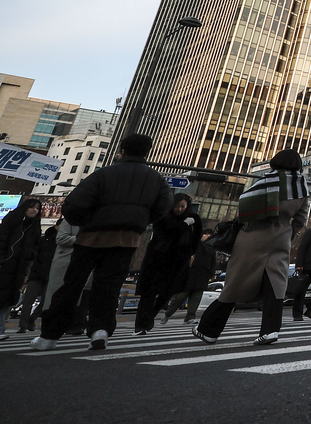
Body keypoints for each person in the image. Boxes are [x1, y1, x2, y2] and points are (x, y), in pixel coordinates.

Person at [32, 133, 172, 351]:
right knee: (109, 287)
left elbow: (74, 205)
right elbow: (162, 209)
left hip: (91, 238)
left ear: (122, 151)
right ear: (147, 152)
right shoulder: (157, 179)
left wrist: (86, 223)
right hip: (127, 240)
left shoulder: (103, 174)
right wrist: (138, 222)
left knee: (72, 286)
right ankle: (100, 330)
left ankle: (50, 335)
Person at [193, 148, 309, 346]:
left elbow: (244, 209)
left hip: (254, 235)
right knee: (275, 283)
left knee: (236, 281)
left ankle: (208, 329)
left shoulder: (267, 180)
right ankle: (270, 330)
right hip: (281, 235)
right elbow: (301, 218)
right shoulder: (301, 185)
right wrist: (287, 232)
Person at [134, 193, 203, 334]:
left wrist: (191, 253)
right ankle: (140, 325)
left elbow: (196, 238)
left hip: (178, 261)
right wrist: (184, 224)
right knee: (149, 292)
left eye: (182, 206)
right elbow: (165, 233)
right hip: (157, 259)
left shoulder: (194, 218)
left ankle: (149, 318)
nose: (179, 209)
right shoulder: (163, 216)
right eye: (177, 206)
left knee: (168, 292)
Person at [0, 199, 44, 341]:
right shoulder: (12, 221)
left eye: (37, 208)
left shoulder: (35, 226)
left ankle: (0, 328)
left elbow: (36, 246)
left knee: (9, 297)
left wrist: (30, 257)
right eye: (32, 207)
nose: (34, 210)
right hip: (5, 264)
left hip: (20, 267)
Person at [161, 228, 218, 325]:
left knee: (196, 298)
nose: (208, 236)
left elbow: (213, 263)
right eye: (206, 234)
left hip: (202, 277)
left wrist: (211, 274)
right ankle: (167, 314)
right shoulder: (193, 244)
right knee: (179, 297)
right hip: (188, 275)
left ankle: (190, 317)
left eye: (210, 235)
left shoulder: (211, 249)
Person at [19, 221, 58, 333]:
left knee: (47, 300)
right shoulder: (43, 240)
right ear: (56, 226)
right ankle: (23, 325)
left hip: (52, 274)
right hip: (37, 273)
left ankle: (33, 318)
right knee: (28, 300)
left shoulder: (62, 243)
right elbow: (33, 256)